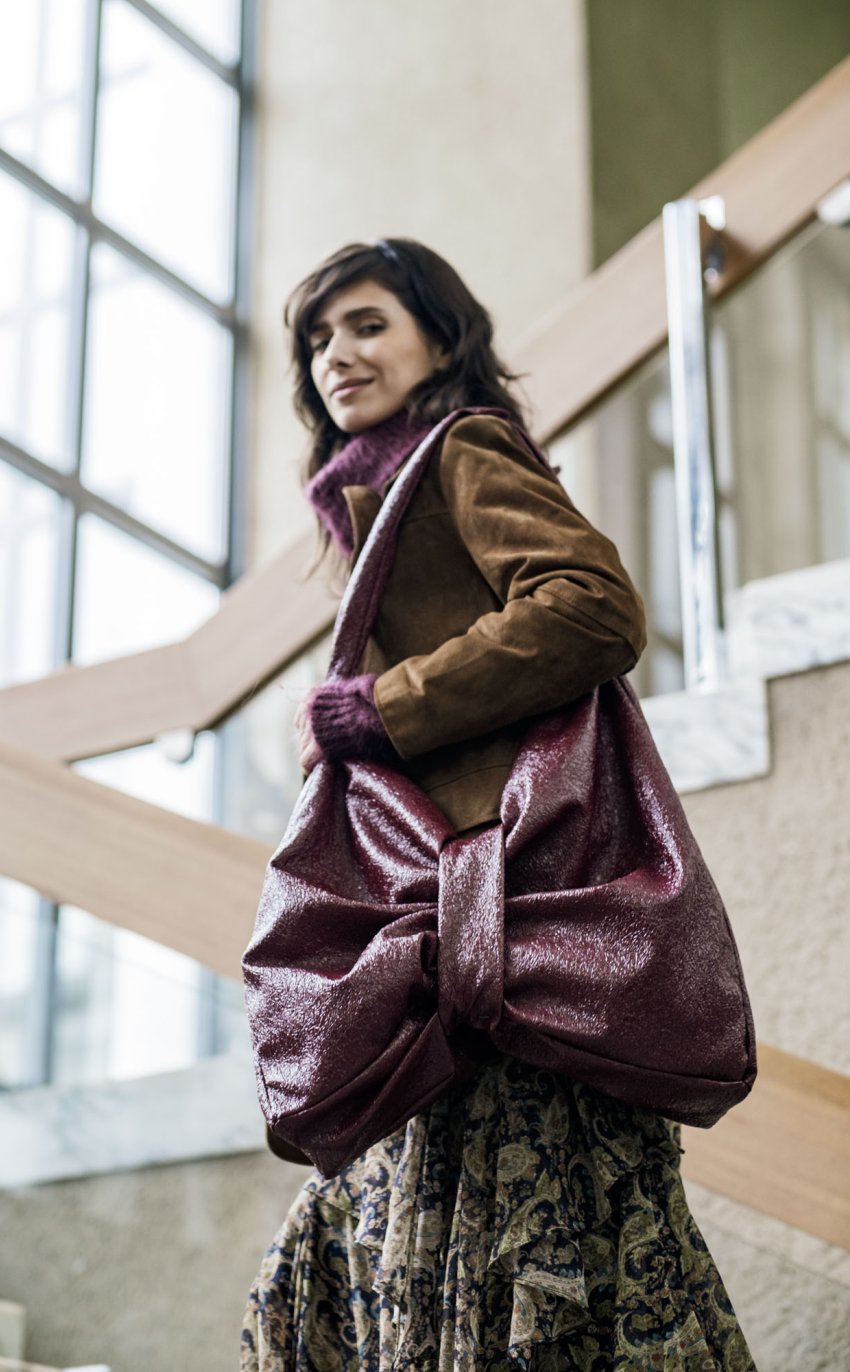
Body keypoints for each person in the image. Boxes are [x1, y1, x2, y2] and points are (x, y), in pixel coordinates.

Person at [239, 239, 755, 1371]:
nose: (336, 354)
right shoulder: (374, 501)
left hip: (506, 913)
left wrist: (380, 705)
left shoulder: (460, 447)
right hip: (449, 941)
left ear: (439, 336)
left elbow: (590, 607)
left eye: (367, 324)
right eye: (316, 340)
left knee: (514, 1224)